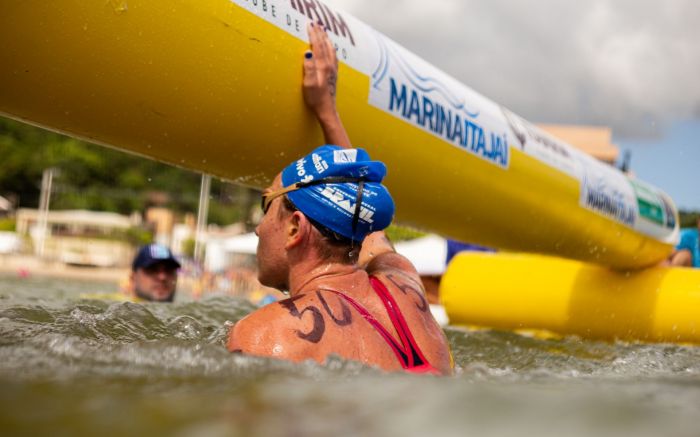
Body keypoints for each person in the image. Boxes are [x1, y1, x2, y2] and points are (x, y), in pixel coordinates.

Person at [226, 24, 453, 375]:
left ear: (294, 228)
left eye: (266, 206)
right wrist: (327, 111)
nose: (257, 229)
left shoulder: (268, 336)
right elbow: (363, 221)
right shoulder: (402, 285)